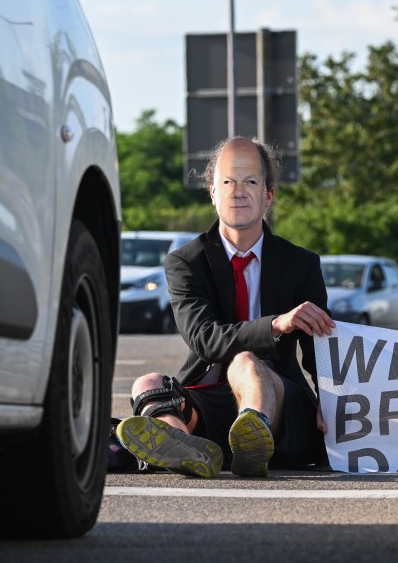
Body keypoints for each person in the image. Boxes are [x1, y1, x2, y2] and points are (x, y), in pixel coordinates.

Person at [114, 136, 336, 478]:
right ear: (213, 193)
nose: (238, 191)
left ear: (268, 195)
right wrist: (276, 324)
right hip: (211, 396)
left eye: (250, 181)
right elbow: (204, 339)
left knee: (246, 362)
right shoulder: (184, 262)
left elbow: (319, 347)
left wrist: (332, 401)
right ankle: (184, 446)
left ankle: (253, 438)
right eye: (228, 182)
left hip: (281, 402)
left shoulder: (301, 264)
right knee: (148, 383)